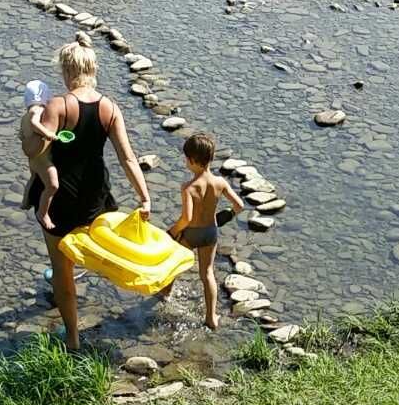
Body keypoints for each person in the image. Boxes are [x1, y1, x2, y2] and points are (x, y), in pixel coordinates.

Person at [25, 36, 151, 353]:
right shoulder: (109, 108)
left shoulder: (58, 105)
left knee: (61, 265)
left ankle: (72, 338)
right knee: (98, 245)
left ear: (67, 72)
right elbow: (128, 158)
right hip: (96, 195)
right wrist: (144, 197)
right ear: (93, 70)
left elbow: (34, 150)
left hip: (60, 199)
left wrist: (32, 119)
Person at [169, 131, 244, 330]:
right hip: (210, 233)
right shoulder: (220, 183)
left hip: (191, 233)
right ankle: (211, 317)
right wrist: (224, 217)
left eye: (186, 159)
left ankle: (165, 293)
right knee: (207, 273)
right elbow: (239, 206)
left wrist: (172, 232)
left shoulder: (189, 187)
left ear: (192, 160)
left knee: (173, 265)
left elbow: (187, 218)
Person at [18, 77, 59, 226]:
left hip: (33, 158)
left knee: (33, 177)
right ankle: (43, 213)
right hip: (42, 159)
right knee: (53, 185)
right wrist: (47, 134)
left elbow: (21, 134)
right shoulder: (38, 110)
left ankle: (25, 202)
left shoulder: (24, 116)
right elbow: (35, 124)